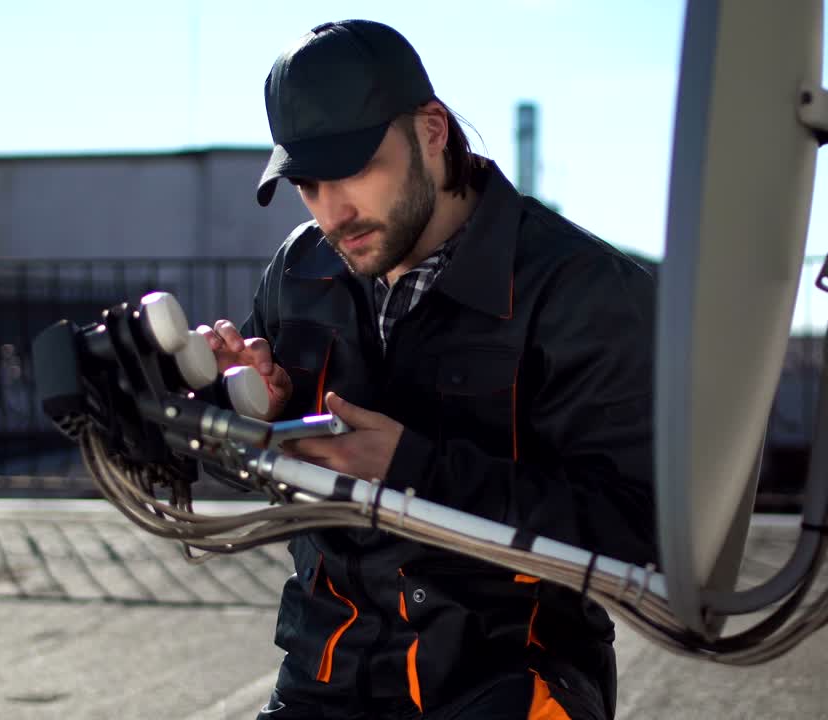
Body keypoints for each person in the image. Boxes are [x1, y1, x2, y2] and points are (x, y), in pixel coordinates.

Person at [201, 19, 657, 720]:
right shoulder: (299, 271)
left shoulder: (581, 289)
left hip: (511, 680)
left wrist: (415, 471)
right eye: (308, 184)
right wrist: (248, 413)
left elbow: (638, 533)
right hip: (324, 683)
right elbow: (249, 471)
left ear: (433, 130)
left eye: (354, 168)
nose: (332, 211)